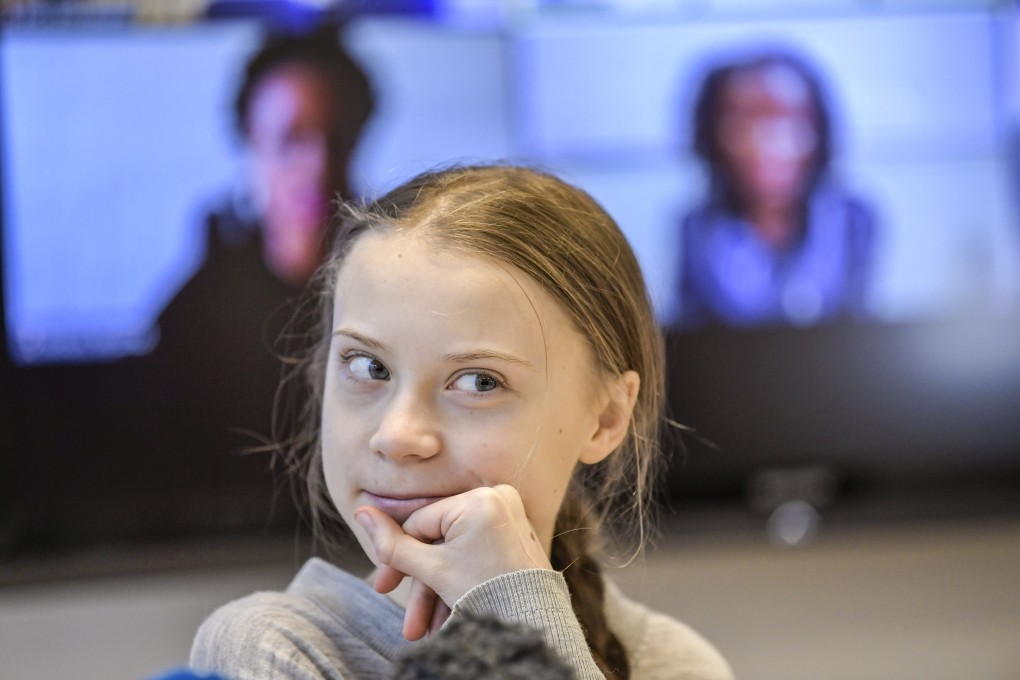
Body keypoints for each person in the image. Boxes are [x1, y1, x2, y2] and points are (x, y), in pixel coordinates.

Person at [189, 164, 733, 680]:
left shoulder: (674, 663)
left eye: (479, 382)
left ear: (606, 418)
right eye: (368, 367)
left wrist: (516, 609)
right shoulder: (267, 646)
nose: (398, 435)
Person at [146, 27, 375, 515]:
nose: (316, 165)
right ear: (251, 147)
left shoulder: (400, 295)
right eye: (291, 139)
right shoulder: (190, 318)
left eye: (334, 140)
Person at [674, 49, 876, 329]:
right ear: (711, 135)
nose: (766, 143)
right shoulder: (697, 231)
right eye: (742, 125)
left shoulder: (853, 222)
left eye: (788, 122)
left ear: (819, 131)